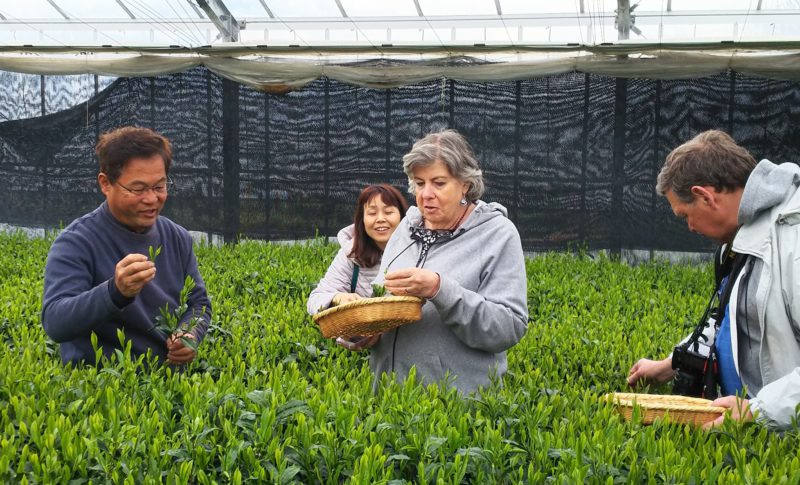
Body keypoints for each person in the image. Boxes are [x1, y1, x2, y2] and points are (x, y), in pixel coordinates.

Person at [627, 129, 800, 431]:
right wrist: (671, 364)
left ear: (704, 196)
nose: (690, 227)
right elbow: (732, 325)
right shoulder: (737, 243)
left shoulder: (792, 239)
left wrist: (757, 412)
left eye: (685, 216)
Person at [367, 128, 528, 394]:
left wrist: (440, 290)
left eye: (438, 183)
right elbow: (382, 297)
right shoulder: (407, 227)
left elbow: (508, 327)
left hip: (453, 407)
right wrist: (367, 330)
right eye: (419, 183)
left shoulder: (498, 234)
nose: (426, 193)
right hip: (388, 401)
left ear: (465, 184)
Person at [42, 126, 212, 366]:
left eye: (160, 186)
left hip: (164, 382)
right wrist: (115, 291)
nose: (152, 199)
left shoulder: (177, 237)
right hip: (101, 385)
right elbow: (56, 323)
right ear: (105, 183)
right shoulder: (76, 242)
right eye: (138, 188)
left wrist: (188, 334)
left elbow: (198, 304)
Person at [307, 184, 409, 350]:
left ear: (402, 217)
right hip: (363, 352)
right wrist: (337, 297)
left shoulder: (418, 252)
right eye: (372, 213)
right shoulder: (351, 254)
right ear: (362, 219)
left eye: (389, 212)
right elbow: (314, 301)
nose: (380, 218)